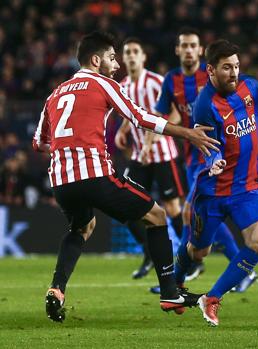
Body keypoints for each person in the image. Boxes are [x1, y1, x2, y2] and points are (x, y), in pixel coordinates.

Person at [32, 31, 219, 322]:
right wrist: (188, 134)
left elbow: (39, 143)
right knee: (156, 216)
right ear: (96, 60)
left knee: (82, 228)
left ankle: (57, 288)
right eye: (110, 58)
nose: (116, 64)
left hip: (61, 181)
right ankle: (170, 292)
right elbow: (141, 117)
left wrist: (68, 150)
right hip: (94, 174)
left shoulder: (54, 93)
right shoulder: (104, 84)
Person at [148, 28, 258, 294]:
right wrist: (149, 139)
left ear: (200, 52)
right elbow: (169, 118)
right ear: (178, 50)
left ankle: (222, 280)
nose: (189, 50)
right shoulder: (174, 82)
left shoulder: (229, 79)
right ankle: (183, 275)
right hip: (199, 163)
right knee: (198, 240)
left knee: (207, 224)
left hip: (238, 176)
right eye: (184, 46)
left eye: (193, 46)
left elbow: (250, 109)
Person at [183, 39, 258, 326]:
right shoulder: (204, 105)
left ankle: (212, 297)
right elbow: (206, 145)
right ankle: (174, 285)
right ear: (210, 70)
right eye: (226, 68)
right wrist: (214, 161)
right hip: (213, 191)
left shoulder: (249, 86)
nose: (233, 73)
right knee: (198, 251)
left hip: (249, 187)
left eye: (236, 66)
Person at [114, 37, 184, 280]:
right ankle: (149, 253)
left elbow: (174, 113)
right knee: (126, 204)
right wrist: (123, 131)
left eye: (136, 51)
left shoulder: (156, 82)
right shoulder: (122, 85)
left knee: (172, 207)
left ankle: (187, 257)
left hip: (162, 154)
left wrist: (150, 141)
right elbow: (129, 112)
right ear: (123, 59)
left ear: (143, 57)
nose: (131, 56)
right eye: (127, 52)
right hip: (139, 157)